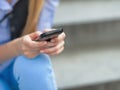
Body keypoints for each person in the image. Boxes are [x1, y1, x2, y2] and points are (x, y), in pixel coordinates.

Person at [0, 0, 65, 90]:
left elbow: (40, 33)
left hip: (19, 68)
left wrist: (50, 42)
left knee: (33, 63)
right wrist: (17, 47)